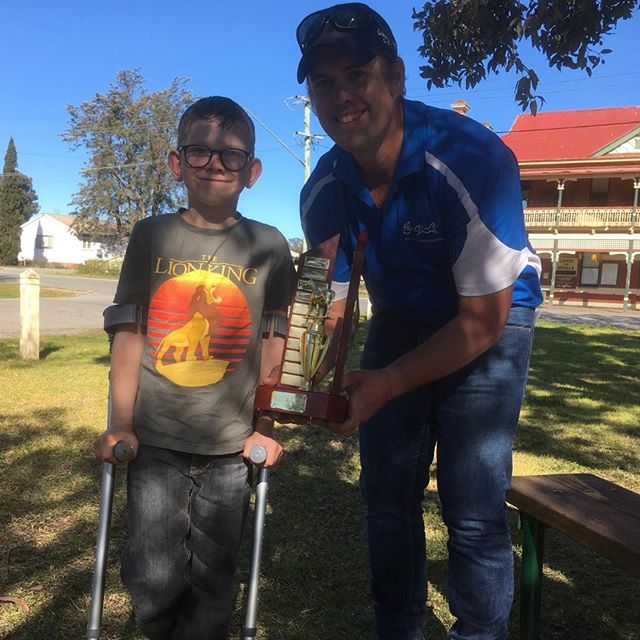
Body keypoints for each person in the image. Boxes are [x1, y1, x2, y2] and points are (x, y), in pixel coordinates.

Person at [295, 4, 543, 640]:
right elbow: (331, 296)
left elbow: (480, 323)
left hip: (494, 316)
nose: (342, 96)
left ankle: (479, 633)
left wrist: (386, 381)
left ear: (396, 76)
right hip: (404, 316)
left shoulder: (471, 160)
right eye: (324, 83)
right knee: (385, 495)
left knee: (473, 501)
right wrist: (308, 377)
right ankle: (399, 628)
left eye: (358, 74)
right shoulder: (324, 188)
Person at [93, 96, 296, 640]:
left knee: (215, 577)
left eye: (230, 156)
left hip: (231, 446)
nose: (214, 165)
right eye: (199, 151)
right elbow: (130, 333)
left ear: (252, 171)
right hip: (156, 439)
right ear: (175, 163)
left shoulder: (271, 247)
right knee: (154, 575)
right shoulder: (151, 236)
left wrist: (266, 425)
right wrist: (120, 422)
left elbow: (274, 342)